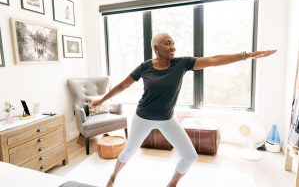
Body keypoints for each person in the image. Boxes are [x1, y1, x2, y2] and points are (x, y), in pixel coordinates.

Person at [91, 33, 276, 187]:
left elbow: (213, 60)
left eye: (173, 43)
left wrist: (247, 55)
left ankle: (171, 184)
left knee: (190, 156)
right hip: (143, 117)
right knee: (129, 151)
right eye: (167, 43)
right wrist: (101, 100)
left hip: (167, 118)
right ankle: (113, 177)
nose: (172, 46)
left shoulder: (182, 63)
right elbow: (123, 85)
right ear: (156, 48)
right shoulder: (145, 67)